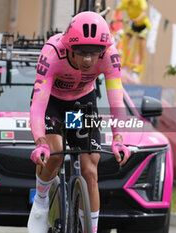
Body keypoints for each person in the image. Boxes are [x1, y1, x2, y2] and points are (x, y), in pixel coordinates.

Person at [28, 11, 131, 233]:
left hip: (81, 104)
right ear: (69, 48)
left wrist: (119, 138)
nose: (87, 60)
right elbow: (38, 105)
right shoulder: (52, 52)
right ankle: (41, 201)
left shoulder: (110, 56)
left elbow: (116, 101)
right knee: (55, 154)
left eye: (94, 53)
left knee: (90, 169)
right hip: (52, 103)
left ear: (102, 51)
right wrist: (40, 142)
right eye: (81, 52)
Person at [113, 0, 151, 73]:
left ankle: (140, 64)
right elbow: (117, 9)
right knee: (126, 38)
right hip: (134, 23)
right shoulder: (126, 3)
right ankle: (124, 60)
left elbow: (144, 12)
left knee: (141, 43)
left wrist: (138, 19)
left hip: (143, 24)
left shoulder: (140, 1)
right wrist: (113, 18)